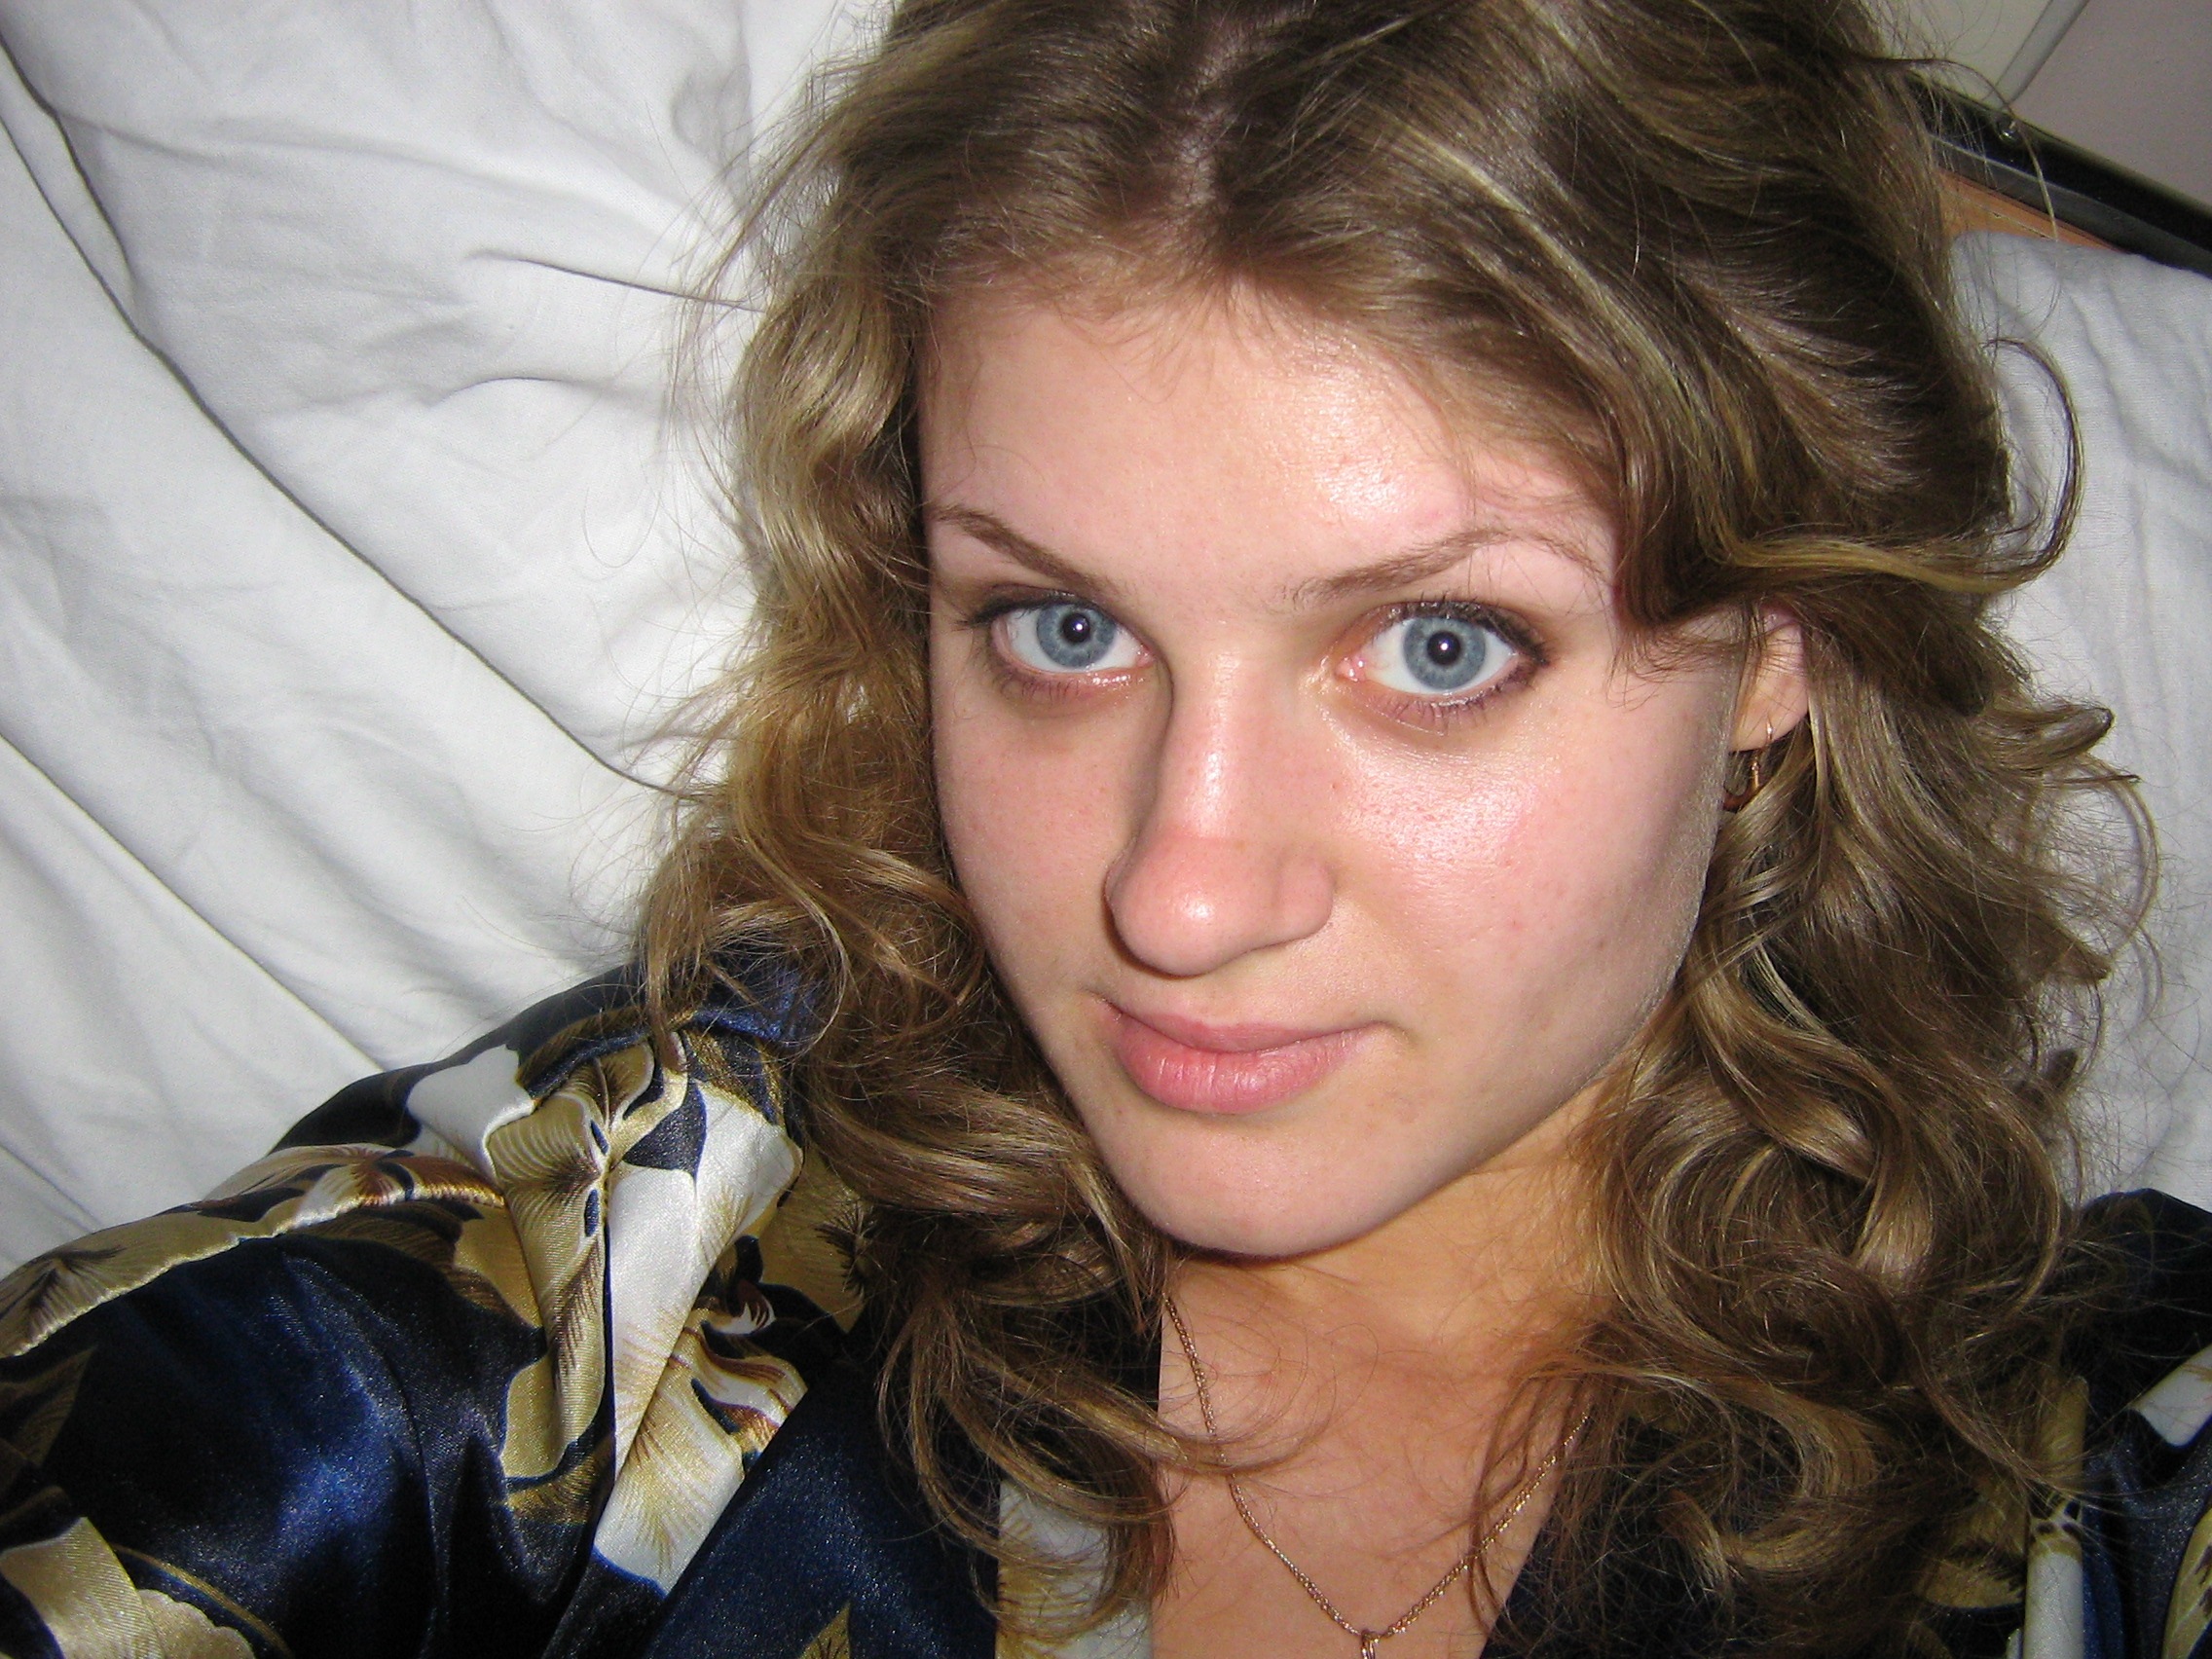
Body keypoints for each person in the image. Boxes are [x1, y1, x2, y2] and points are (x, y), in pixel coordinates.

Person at [0, 1, 2201, 1655]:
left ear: (1783, 638)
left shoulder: (2095, 1491)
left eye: (1436, 648)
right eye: (1061, 628)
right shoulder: (661, 1247)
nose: (1175, 890)